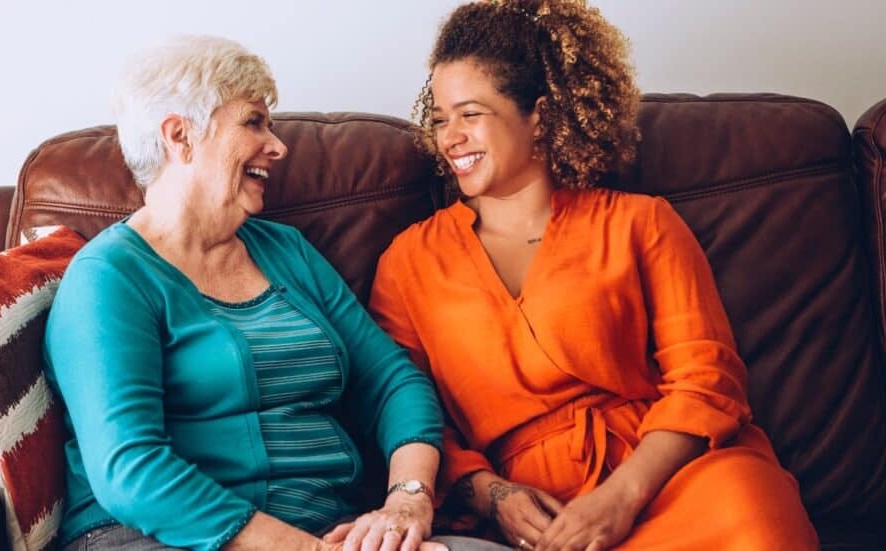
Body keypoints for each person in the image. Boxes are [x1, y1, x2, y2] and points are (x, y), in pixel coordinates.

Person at [369, 1, 820, 550]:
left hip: (662, 481)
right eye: (440, 119)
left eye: (470, 114)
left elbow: (707, 379)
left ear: (537, 116)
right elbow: (408, 412)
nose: (449, 138)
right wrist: (494, 498)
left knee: (750, 504)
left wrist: (622, 497)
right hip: (531, 512)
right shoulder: (410, 260)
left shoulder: (640, 222)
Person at [44, 35, 458, 551]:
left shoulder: (286, 251)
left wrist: (405, 500)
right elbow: (130, 469)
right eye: (253, 122)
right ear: (180, 136)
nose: (278, 146)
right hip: (154, 537)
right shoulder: (110, 277)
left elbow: (392, 380)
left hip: (332, 526)